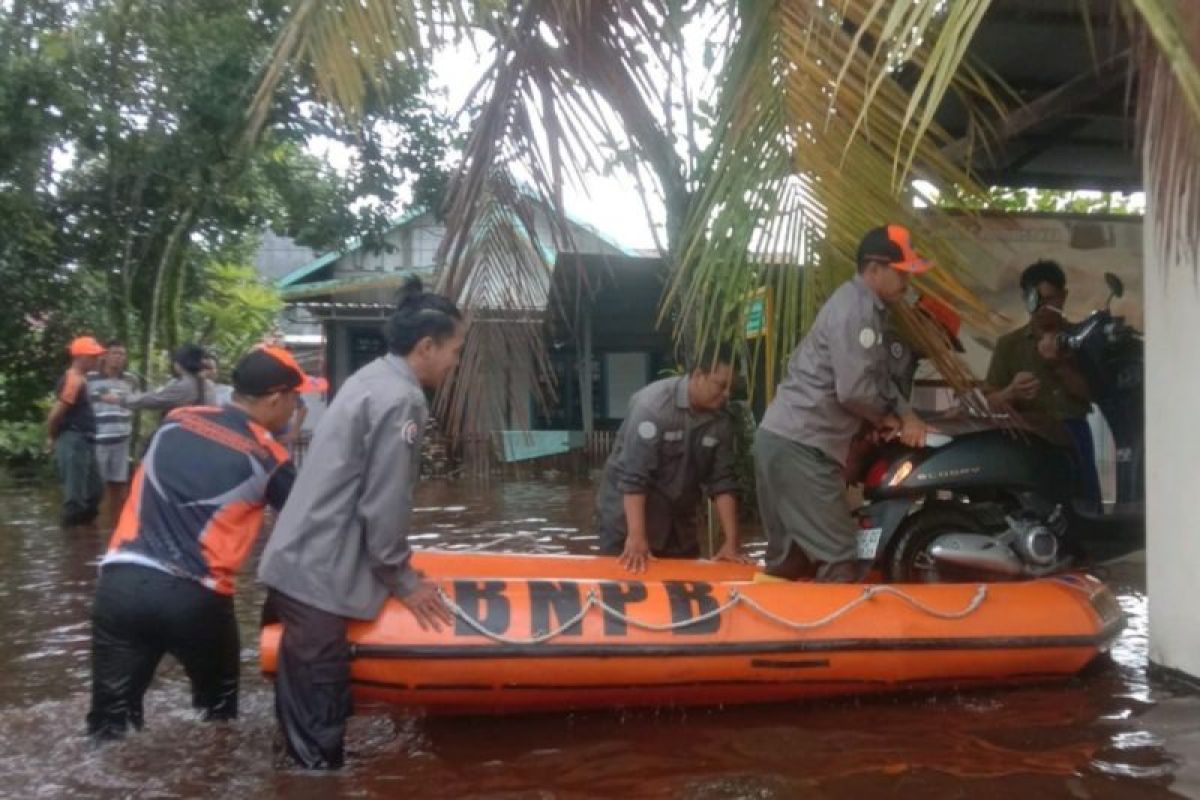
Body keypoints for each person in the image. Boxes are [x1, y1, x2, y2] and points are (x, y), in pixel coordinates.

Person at [257, 277, 463, 770]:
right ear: (427, 346)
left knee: (297, 724)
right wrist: (402, 580)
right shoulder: (402, 399)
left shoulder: (368, 378)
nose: (456, 361)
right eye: (455, 349)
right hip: (318, 579)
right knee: (319, 748)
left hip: (295, 562)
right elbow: (385, 501)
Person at [86, 347, 305, 740]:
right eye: (295, 399)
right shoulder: (271, 459)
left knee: (108, 721)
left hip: (119, 584)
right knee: (218, 718)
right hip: (195, 598)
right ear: (276, 398)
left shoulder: (177, 420)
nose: (295, 408)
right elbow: (307, 527)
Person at [756, 225, 930, 582]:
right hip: (803, 446)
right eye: (901, 273)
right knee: (840, 560)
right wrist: (889, 419)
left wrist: (904, 413)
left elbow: (876, 379)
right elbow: (854, 390)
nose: (907, 283)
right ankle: (833, 638)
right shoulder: (858, 311)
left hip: (782, 439)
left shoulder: (863, 307)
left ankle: (772, 630)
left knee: (790, 562)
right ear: (874, 268)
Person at [594, 343, 748, 572]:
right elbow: (634, 478)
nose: (726, 394)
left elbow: (722, 481)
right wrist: (636, 537)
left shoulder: (722, 420)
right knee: (626, 582)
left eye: (731, 388)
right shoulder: (653, 408)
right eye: (721, 385)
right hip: (626, 521)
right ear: (698, 375)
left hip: (678, 525)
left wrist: (731, 542)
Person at [985, 259, 1099, 506]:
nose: (1043, 308)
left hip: (1073, 434)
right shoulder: (1009, 345)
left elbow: (1091, 394)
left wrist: (1059, 364)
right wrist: (1012, 392)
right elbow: (989, 401)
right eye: (1037, 300)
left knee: (1084, 508)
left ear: (1064, 297)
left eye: (1051, 300)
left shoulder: (1080, 340)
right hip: (1029, 438)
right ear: (1025, 299)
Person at [47, 336, 106, 526]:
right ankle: (71, 546)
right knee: (76, 499)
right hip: (73, 439)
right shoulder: (73, 380)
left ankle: (86, 541)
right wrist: (51, 436)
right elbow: (56, 414)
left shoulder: (81, 379)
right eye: (93, 356)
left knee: (95, 492)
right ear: (80, 357)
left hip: (84, 440)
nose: (97, 360)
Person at [87, 341, 141, 513]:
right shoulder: (90, 378)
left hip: (122, 438)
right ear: (105, 356)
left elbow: (137, 403)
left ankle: (115, 522)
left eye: (122, 354)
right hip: (98, 438)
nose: (118, 357)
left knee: (119, 483)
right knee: (97, 485)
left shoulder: (131, 379)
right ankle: (96, 520)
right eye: (115, 353)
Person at [102, 343, 215, 416]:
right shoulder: (208, 384)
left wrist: (120, 399)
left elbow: (153, 399)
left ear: (179, 364)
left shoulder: (184, 386)